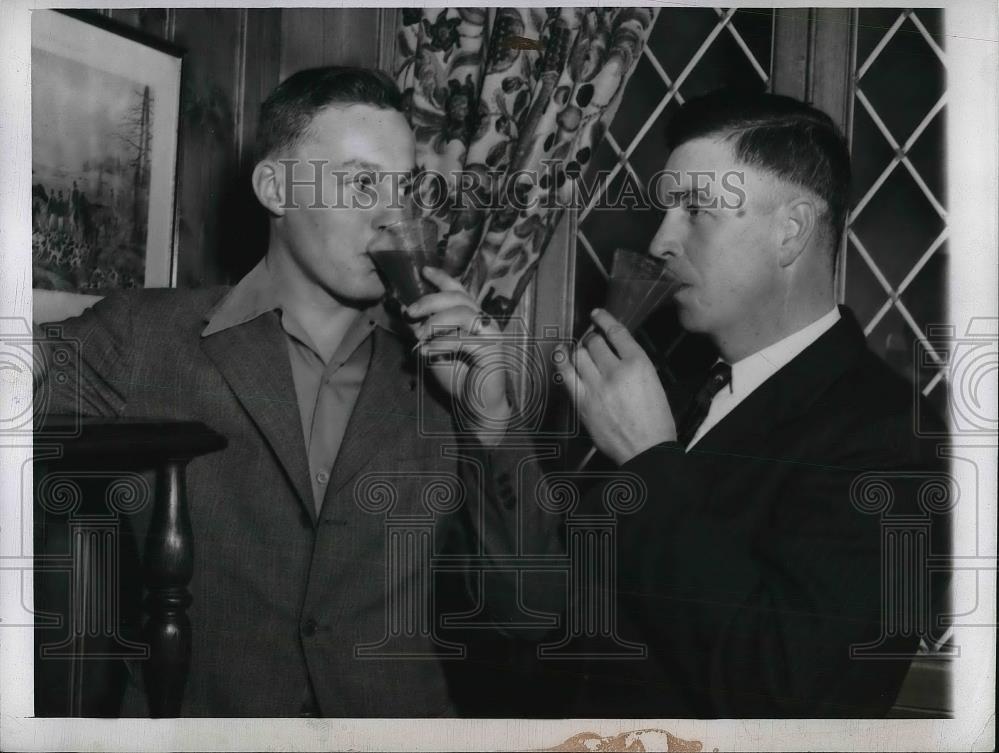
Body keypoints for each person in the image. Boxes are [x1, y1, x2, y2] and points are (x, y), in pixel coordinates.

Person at [34, 66, 560, 717]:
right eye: (363, 182)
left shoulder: (443, 369)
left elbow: (532, 612)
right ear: (275, 187)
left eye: (405, 188)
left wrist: (492, 422)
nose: (393, 216)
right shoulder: (145, 337)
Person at [554, 90, 950, 717]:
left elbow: (796, 696)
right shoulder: (668, 384)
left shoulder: (897, 439)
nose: (660, 240)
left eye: (696, 210)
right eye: (666, 209)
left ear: (790, 231)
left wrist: (651, 460)